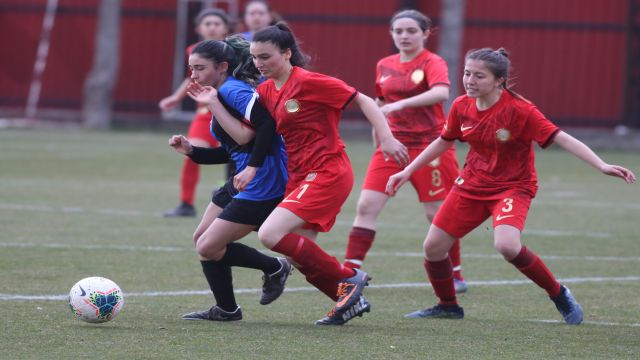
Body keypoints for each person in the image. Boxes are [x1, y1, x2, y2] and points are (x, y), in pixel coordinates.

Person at [386, 47, 636, 324]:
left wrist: (602, 165)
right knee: (433, 247)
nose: (469, 80)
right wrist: (407, 171)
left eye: (479, 76)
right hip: (471, 185)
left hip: (513, 187)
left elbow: (561, 138)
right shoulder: (461, 106)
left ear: (499, 80)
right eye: (467, 73)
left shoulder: (520, 110)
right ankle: (448, 306)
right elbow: (444, 140)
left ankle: (559, 294)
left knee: (506, 245)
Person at [250, 23, 410, 325]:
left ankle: (349, 276)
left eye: (265, 57)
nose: (259, 64)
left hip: (327, 171)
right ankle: (347, 302)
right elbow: (260, 133)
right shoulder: (265, 91)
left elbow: (362, 99)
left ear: (286, 54)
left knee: (269, 234)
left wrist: (386, 137)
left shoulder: (309, 82)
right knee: (299, 254)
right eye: (255, 58)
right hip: (299, 175)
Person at [342, 9, 467, 293]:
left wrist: (400, 105)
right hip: (393, 146)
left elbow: (441, 93)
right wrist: (379, 136)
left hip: (430, 146)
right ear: (392, 34)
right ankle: (350, 271)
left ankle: (456, 274)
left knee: (437, 215)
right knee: (365, 207)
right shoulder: (385, 64)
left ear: (425, 33)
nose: (404, 36)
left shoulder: (433, 62)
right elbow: (378, 103)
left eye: (411, 31)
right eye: (399, 31)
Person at [169, 35, 292, 321]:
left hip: (263, 179)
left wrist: (253, 167)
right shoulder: (219, 93)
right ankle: (227, 309)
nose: (194, 75)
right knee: (202, 241)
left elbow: (264, 127)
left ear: (223, 66)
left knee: (208, 245)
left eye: (200, 68)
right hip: (244, 176)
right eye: (191, 68)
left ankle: (275, 267)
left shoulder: (234, 92)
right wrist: (191, 151)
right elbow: (235, 150)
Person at [161, 8, 233, 217]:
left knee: (236, 156)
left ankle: (232, 199)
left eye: (216, 23)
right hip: (205, 113)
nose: (212, 27)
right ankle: (186, 203)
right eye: (207, 23)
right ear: (199, 28)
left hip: (230, 112)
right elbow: (191, 78)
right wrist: (175, 98)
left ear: (225, 28)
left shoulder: (234, 50)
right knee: (190, 152)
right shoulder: (193, 50)